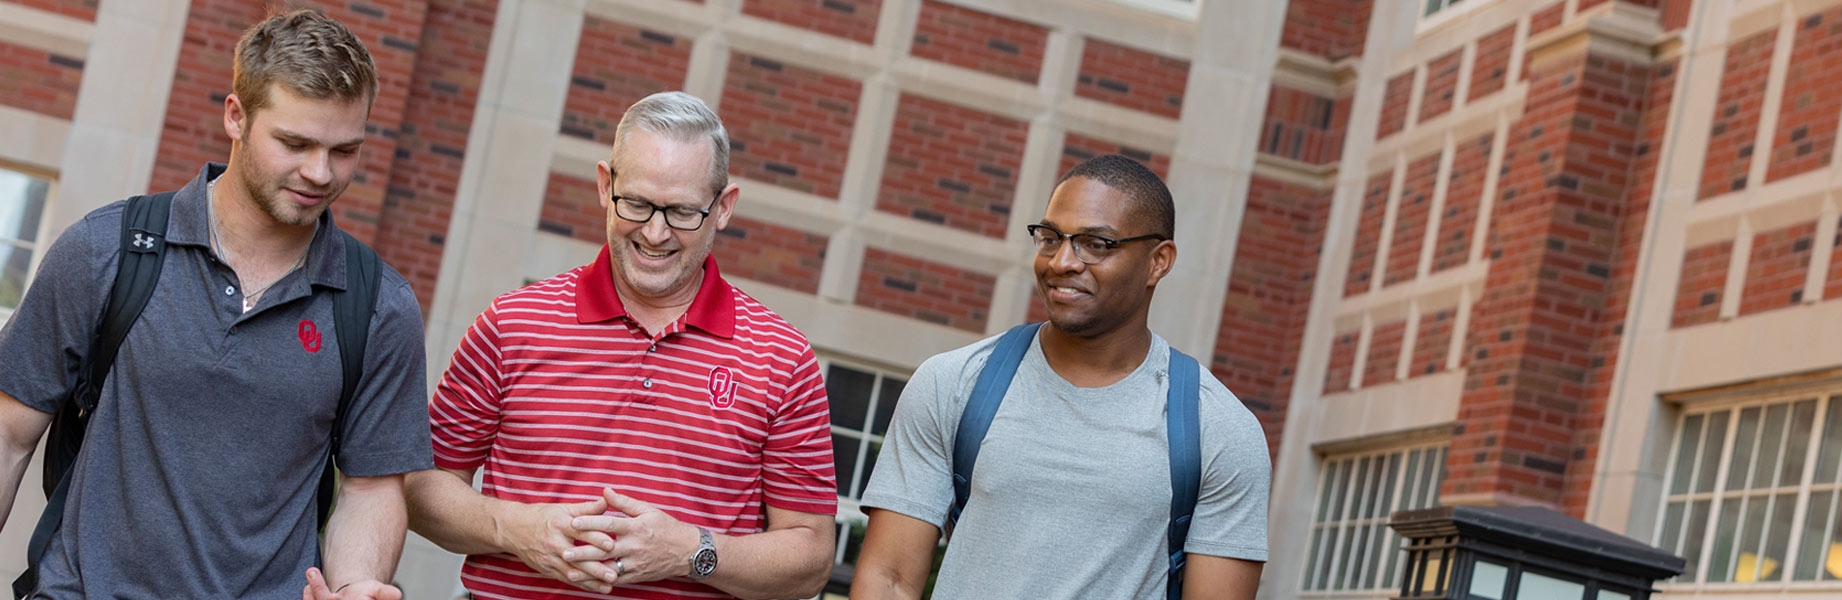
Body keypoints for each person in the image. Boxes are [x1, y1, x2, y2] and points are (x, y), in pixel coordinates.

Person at [0, 9, 431, 600]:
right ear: (236, 116)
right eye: (294, 143)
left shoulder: (379, 307)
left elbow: (370, 486)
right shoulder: (106, 252)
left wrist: (356, 584)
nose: (319, 172)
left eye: (344, 150)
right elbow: (9, 434)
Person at [405, 91, 838, 600]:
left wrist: (691, 551)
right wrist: (517, 530)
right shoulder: (511, 324)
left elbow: (810, 556)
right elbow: (420, 490)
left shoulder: (781, 358)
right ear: (604, 185)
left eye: (681, 212)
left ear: (723, 208)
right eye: (635, 203)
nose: (654, 233)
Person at [851, 155, 1272, 599]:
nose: (1062, 262)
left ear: (1158, 261)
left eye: (1096, 244)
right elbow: (889, 580)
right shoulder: (954, 383)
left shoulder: (1218, 429)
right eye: (1050, 238)